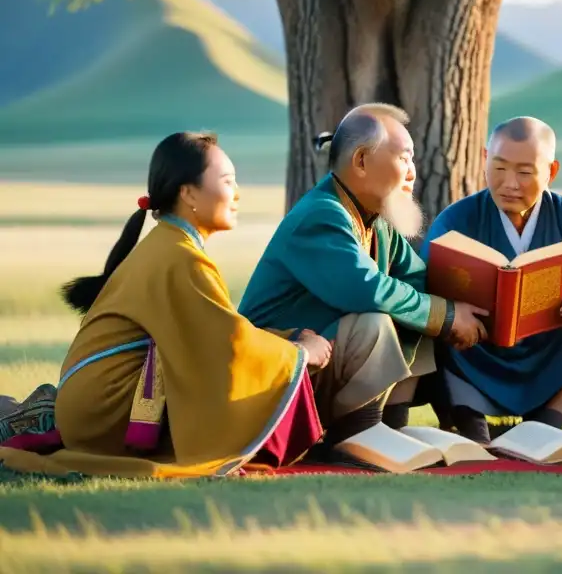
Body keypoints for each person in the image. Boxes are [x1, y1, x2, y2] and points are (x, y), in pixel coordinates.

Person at [0, 132, 324, 479]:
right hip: (104, 413)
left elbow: (211, 332)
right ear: (188, 193)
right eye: (228, 181)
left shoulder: (170, 245)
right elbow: (227, 344)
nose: (238, 192)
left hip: (87, 406)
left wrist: (281, 339)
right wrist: (299, 353)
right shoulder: (179, 257)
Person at [238, 103, 488, 458]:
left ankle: (391, 423)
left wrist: (470, 302)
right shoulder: (322, 215)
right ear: (360, 161)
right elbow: (365, 289)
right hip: (278, 379)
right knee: (374, 320)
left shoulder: (376, 221)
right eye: (404, 158)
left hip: (322, 368)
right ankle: (358, 434)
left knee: (418, 311)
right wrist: (447, 315)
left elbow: (419, 282)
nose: (413, 173)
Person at [420, 116, 562, 443]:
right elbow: (421, 286)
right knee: (432, 325)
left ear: (551, 172)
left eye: (524, 172)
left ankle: (546, 425)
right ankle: (468, 420)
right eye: (499, 168)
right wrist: (452, 313)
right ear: (484, 159)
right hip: (474, 348)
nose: (510, 183)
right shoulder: (456, 219)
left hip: (549, 348)